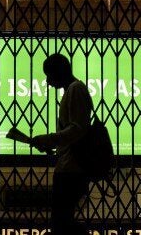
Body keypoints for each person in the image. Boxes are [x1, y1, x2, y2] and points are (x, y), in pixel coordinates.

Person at [30, 53, 94, 235]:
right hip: (68, 165)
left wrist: (48, 139)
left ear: (59, 73)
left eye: (49, 75)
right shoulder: (73, 90)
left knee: (61, 221)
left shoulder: (75, 90)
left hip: (72, 168)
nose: (48, 82)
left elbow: (77, 129)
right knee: (63, 220)